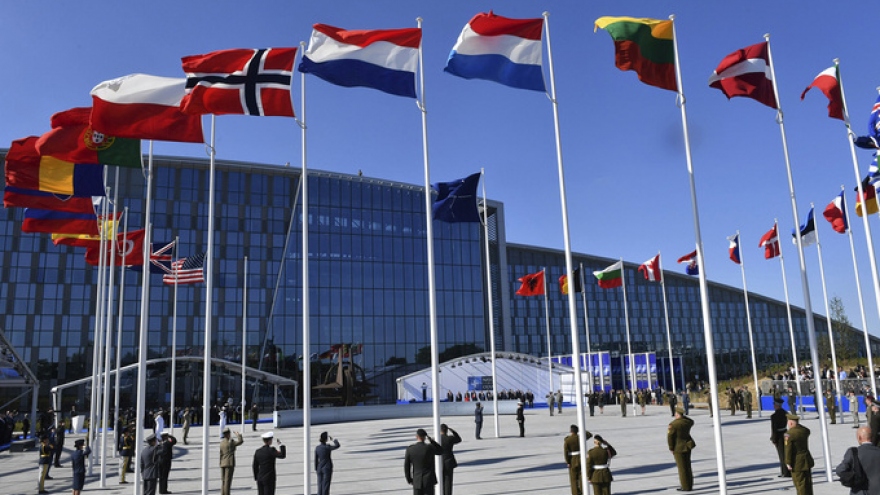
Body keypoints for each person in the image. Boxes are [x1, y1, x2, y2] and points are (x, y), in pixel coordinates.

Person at [835, 426, 880, 494]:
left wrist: (852, 476)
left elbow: (840, 470)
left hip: (859, 491)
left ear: (859, 437)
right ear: (872, 437)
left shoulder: (853, 452)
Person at [403, 428, 443, 495]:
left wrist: (409, 479)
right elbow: (441, 451)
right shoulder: (430, 448)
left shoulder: (410, 449)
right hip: (429, 480)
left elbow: (407, 466)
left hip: (417, 480)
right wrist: (432, 441)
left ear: (416, 436)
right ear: (425, 437)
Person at [784, 413, 815, 495]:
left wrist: (788, 462)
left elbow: (788, 450)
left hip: (796, 462)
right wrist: (798, 425)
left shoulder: (789, 434)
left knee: (800, 484)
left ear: (790, 423)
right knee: (808, 483)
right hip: (806, 459)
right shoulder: (804, 431)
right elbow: (807, 430)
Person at [668, 407, 695, 492]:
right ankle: (689, 485)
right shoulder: (687, 422)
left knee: (682, 468)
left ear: (677, 414)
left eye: (676, 414)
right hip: (687, 445)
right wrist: (683, 416)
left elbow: (670, 437)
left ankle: (685, 486)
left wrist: (671, 447)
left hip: (678, 447)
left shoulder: (673, 424)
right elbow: (691, 421)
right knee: (688, 466)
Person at [564, 424, 592, 495]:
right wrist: (581, 430)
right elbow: (589, 434)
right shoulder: (581, 437)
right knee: (582, 477)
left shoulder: (568, 440)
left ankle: (575, 493)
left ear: (570, 431)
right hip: (581, 458)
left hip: (572, 459)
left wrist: (568, 462)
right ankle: (583, 491)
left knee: (573, 479)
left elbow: (566, 452)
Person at [770, 397, 791, 478]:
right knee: (787, 453)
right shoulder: (785, 413)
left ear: (777, 405)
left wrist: (773, 438)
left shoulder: (774, 416)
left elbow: (774, 429)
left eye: (774, 404)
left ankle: (785, 472)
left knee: (782, 454)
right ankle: (787, 470)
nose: (773, 406)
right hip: (785, 433)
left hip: (779, 436)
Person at [219, 427, 244, 495]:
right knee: (227, 482)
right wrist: (238, 435)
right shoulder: (231, 442)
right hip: (229, 463)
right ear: (228, 434)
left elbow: (221, 454)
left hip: (222, 463)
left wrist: (220, 463)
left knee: (223, 481)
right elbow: (240, 441)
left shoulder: (221, 443)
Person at [439, 424, 461, 495]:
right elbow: (459, 439)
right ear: (446, 430)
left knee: (440, 479)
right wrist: (453, 431)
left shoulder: (437, 439)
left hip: (439, 461)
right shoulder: (450, 438)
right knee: (448, 480)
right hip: (449, 461)